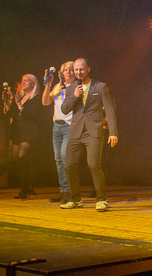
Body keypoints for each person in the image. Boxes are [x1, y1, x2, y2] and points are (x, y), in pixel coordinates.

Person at [59, 58, 119, 211]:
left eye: (81, 69)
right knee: (69, 165)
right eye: (76, 70)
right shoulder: (72, 88)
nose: (78, 72)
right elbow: (65, 109)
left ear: (88, 69)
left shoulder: (100, 87)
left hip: (93, 130)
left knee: (93, 164)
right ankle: (75, 199)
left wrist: (113, 132)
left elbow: (110, 110)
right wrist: (74, 96)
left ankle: (101, 199)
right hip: (76, 130)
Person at [0, 74, 44, 199]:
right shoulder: (21, 97)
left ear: (33, 84)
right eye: (22, 81)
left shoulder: (36, 98)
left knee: (22, 157)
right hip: (18, 131)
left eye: (26, 81)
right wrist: (8, 103)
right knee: (13, 159)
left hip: (29, 131)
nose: (23, 83)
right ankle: (23, 186)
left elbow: (34, 115)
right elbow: (11, 113)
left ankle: (24, 190)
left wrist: (20, 106)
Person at [41, 62, 75, 204]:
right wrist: (48, 84)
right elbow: (45, 102)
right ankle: (63, 190)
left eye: (71, 70)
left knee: (64, 157)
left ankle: (69, 192)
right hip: (57, 126)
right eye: (65, 70)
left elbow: (69, 101)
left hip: (69, 125)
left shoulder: (76, 87)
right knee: (58, 159)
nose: (68, 72)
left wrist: (62, 86)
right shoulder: (57, 86)